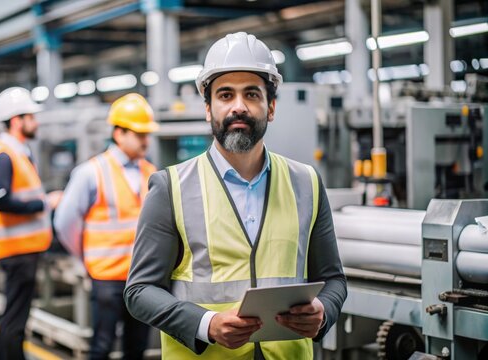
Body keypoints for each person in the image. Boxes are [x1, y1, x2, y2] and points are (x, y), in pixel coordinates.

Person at [124, 32, 347, 359]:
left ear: (270, 108)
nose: (238, 107)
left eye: (252, 95)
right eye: (225, 95)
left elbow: (333, 280)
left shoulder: (306, 183)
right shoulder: (170, 187)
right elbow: (139, 291)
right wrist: (206, 324)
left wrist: (324, 312)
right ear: (208, 109)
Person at [53, 93, 158, 360]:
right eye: (139, 133)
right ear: (119, 133)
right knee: (101, 346)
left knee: (137, 348)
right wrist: (86, 258)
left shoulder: (151, 173)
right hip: (106, 278)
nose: (146, 139)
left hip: (142, 278)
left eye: (147, 133)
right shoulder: (91, 172)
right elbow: (65, 223)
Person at [0, 87, 62, 360]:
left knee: (18, 316)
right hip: (17, 250)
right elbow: (1, 201)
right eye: (31, 116)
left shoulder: (17, 151)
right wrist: (44, 204)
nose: (35, 122)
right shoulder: (5, 154)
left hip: (24, 248)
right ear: (16, 120)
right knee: (15, 318)